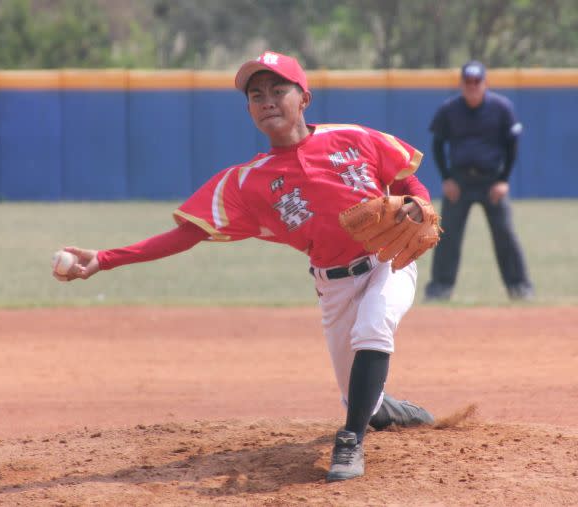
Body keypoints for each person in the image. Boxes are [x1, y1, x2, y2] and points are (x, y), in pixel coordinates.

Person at [53, 51, 435, 483]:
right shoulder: (245, 182)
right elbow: (185, 235)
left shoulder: (353, 137)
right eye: (256, 95)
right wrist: (103, 259)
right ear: (250, 110)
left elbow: (405, 181)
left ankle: (350, 442)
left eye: (278, 90)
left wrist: (419, 204)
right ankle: (380, 409)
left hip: (388, 260)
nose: (267, 100)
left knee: (373, 327)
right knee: (358, 395)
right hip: (334, 286)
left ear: (304, 97)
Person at [425, 60, 534, 301]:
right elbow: (437, 144)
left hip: (491, 181)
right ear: (461, 83)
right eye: (468, 82)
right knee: (448, 235)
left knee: (504, 233)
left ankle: (520, 287)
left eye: (477, 81)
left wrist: (504, 180)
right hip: (460, 182)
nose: (472, 86)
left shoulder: (501, 107)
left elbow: (512, 145)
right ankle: (440, 288)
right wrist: (447, 178)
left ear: (485, 83)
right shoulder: (450, 109)